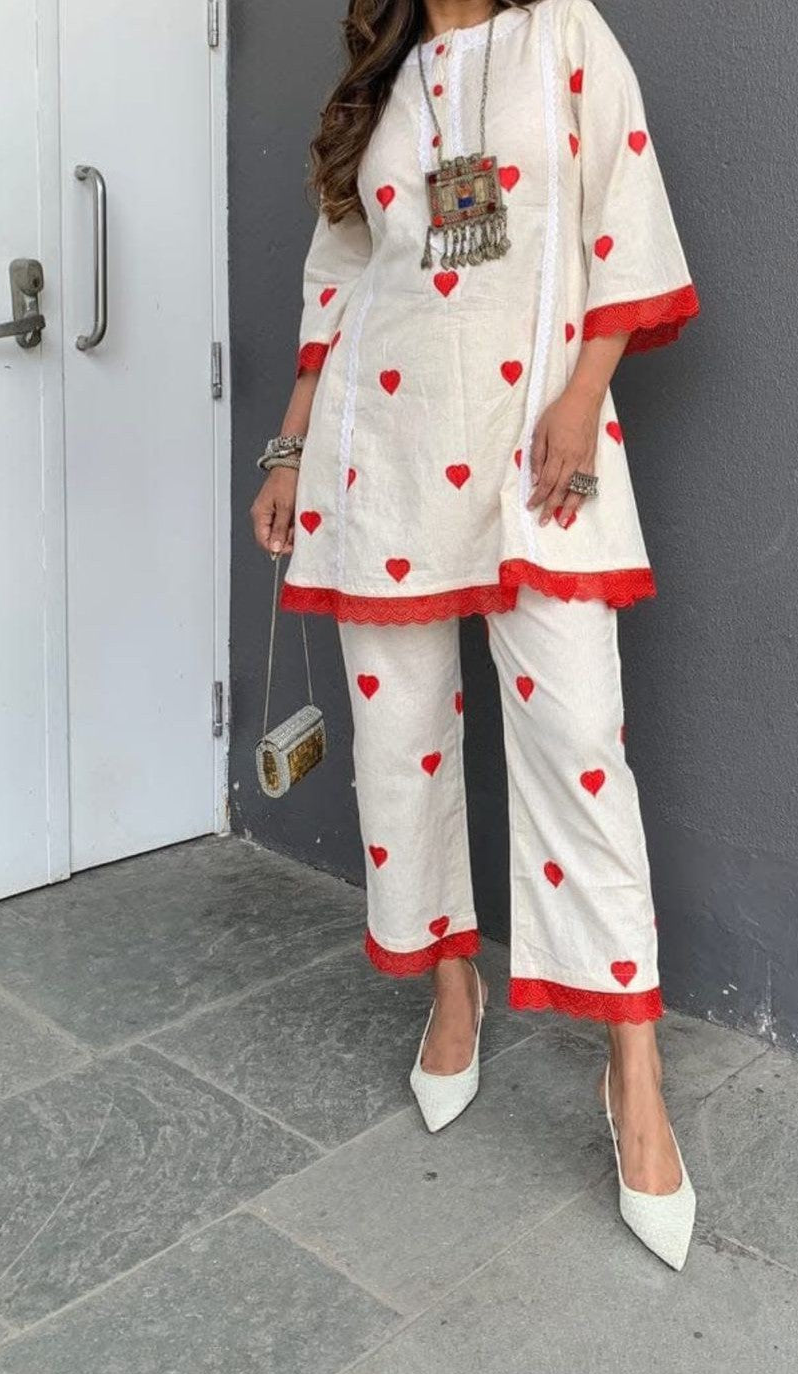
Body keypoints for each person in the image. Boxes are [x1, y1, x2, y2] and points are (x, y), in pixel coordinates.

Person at [250, 0, 700, 1269]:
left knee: (579, 743)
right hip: (379, 448)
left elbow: (621, 210)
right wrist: (290, 447)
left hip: (532, 444)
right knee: (398, 742)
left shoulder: (565, 35)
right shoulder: (384, 85)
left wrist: (585, 394)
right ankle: (454, 987)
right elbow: (339, 278)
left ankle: (634, 1067)